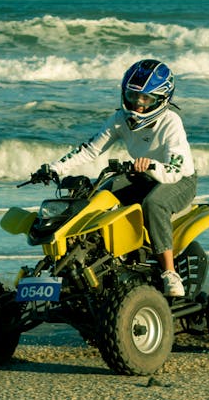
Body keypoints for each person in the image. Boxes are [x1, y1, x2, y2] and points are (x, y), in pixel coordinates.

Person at [36, 59, 197, 298]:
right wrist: (55, 168)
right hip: (142, 177)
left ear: (161, 100)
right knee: (97, 195)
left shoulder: (171, 122)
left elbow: (174, 170)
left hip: (178, 181)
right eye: (133, 96)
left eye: (146, 99)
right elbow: (91, 149)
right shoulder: (120, 118)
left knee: (154, 203)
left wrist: (150, 165)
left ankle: (169, 273)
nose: (138, 105)